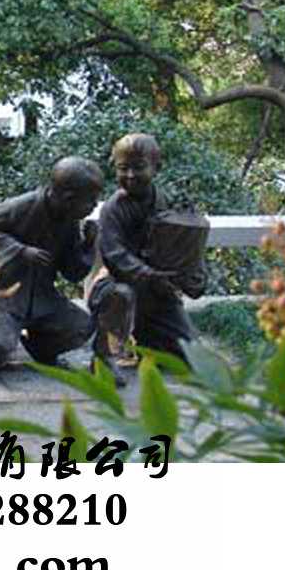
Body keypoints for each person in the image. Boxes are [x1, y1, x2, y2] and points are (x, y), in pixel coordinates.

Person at [89, 132, 206, 386]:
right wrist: (149, 274)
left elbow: (188, 243)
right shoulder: (113, 209)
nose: (130, 175)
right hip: (117, 284)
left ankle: (151, 343)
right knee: (120, 295)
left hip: (159, 293)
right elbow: (114, 255)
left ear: (156, 167)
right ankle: (103, 358)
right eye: (123, 168)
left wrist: (193, 274)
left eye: (139, 167)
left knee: (194, 358)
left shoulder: (170, 203)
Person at [0, 157, 103, 369]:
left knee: (82, 328)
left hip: (42, 298)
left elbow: (72, 273)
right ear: (69, 198)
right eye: (91, 200)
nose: (94, 206)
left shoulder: (70, 221)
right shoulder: (21, 206)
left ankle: (40, 348)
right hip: (2, 295)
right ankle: (4, 334)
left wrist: (88, 246)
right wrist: (20, 251)